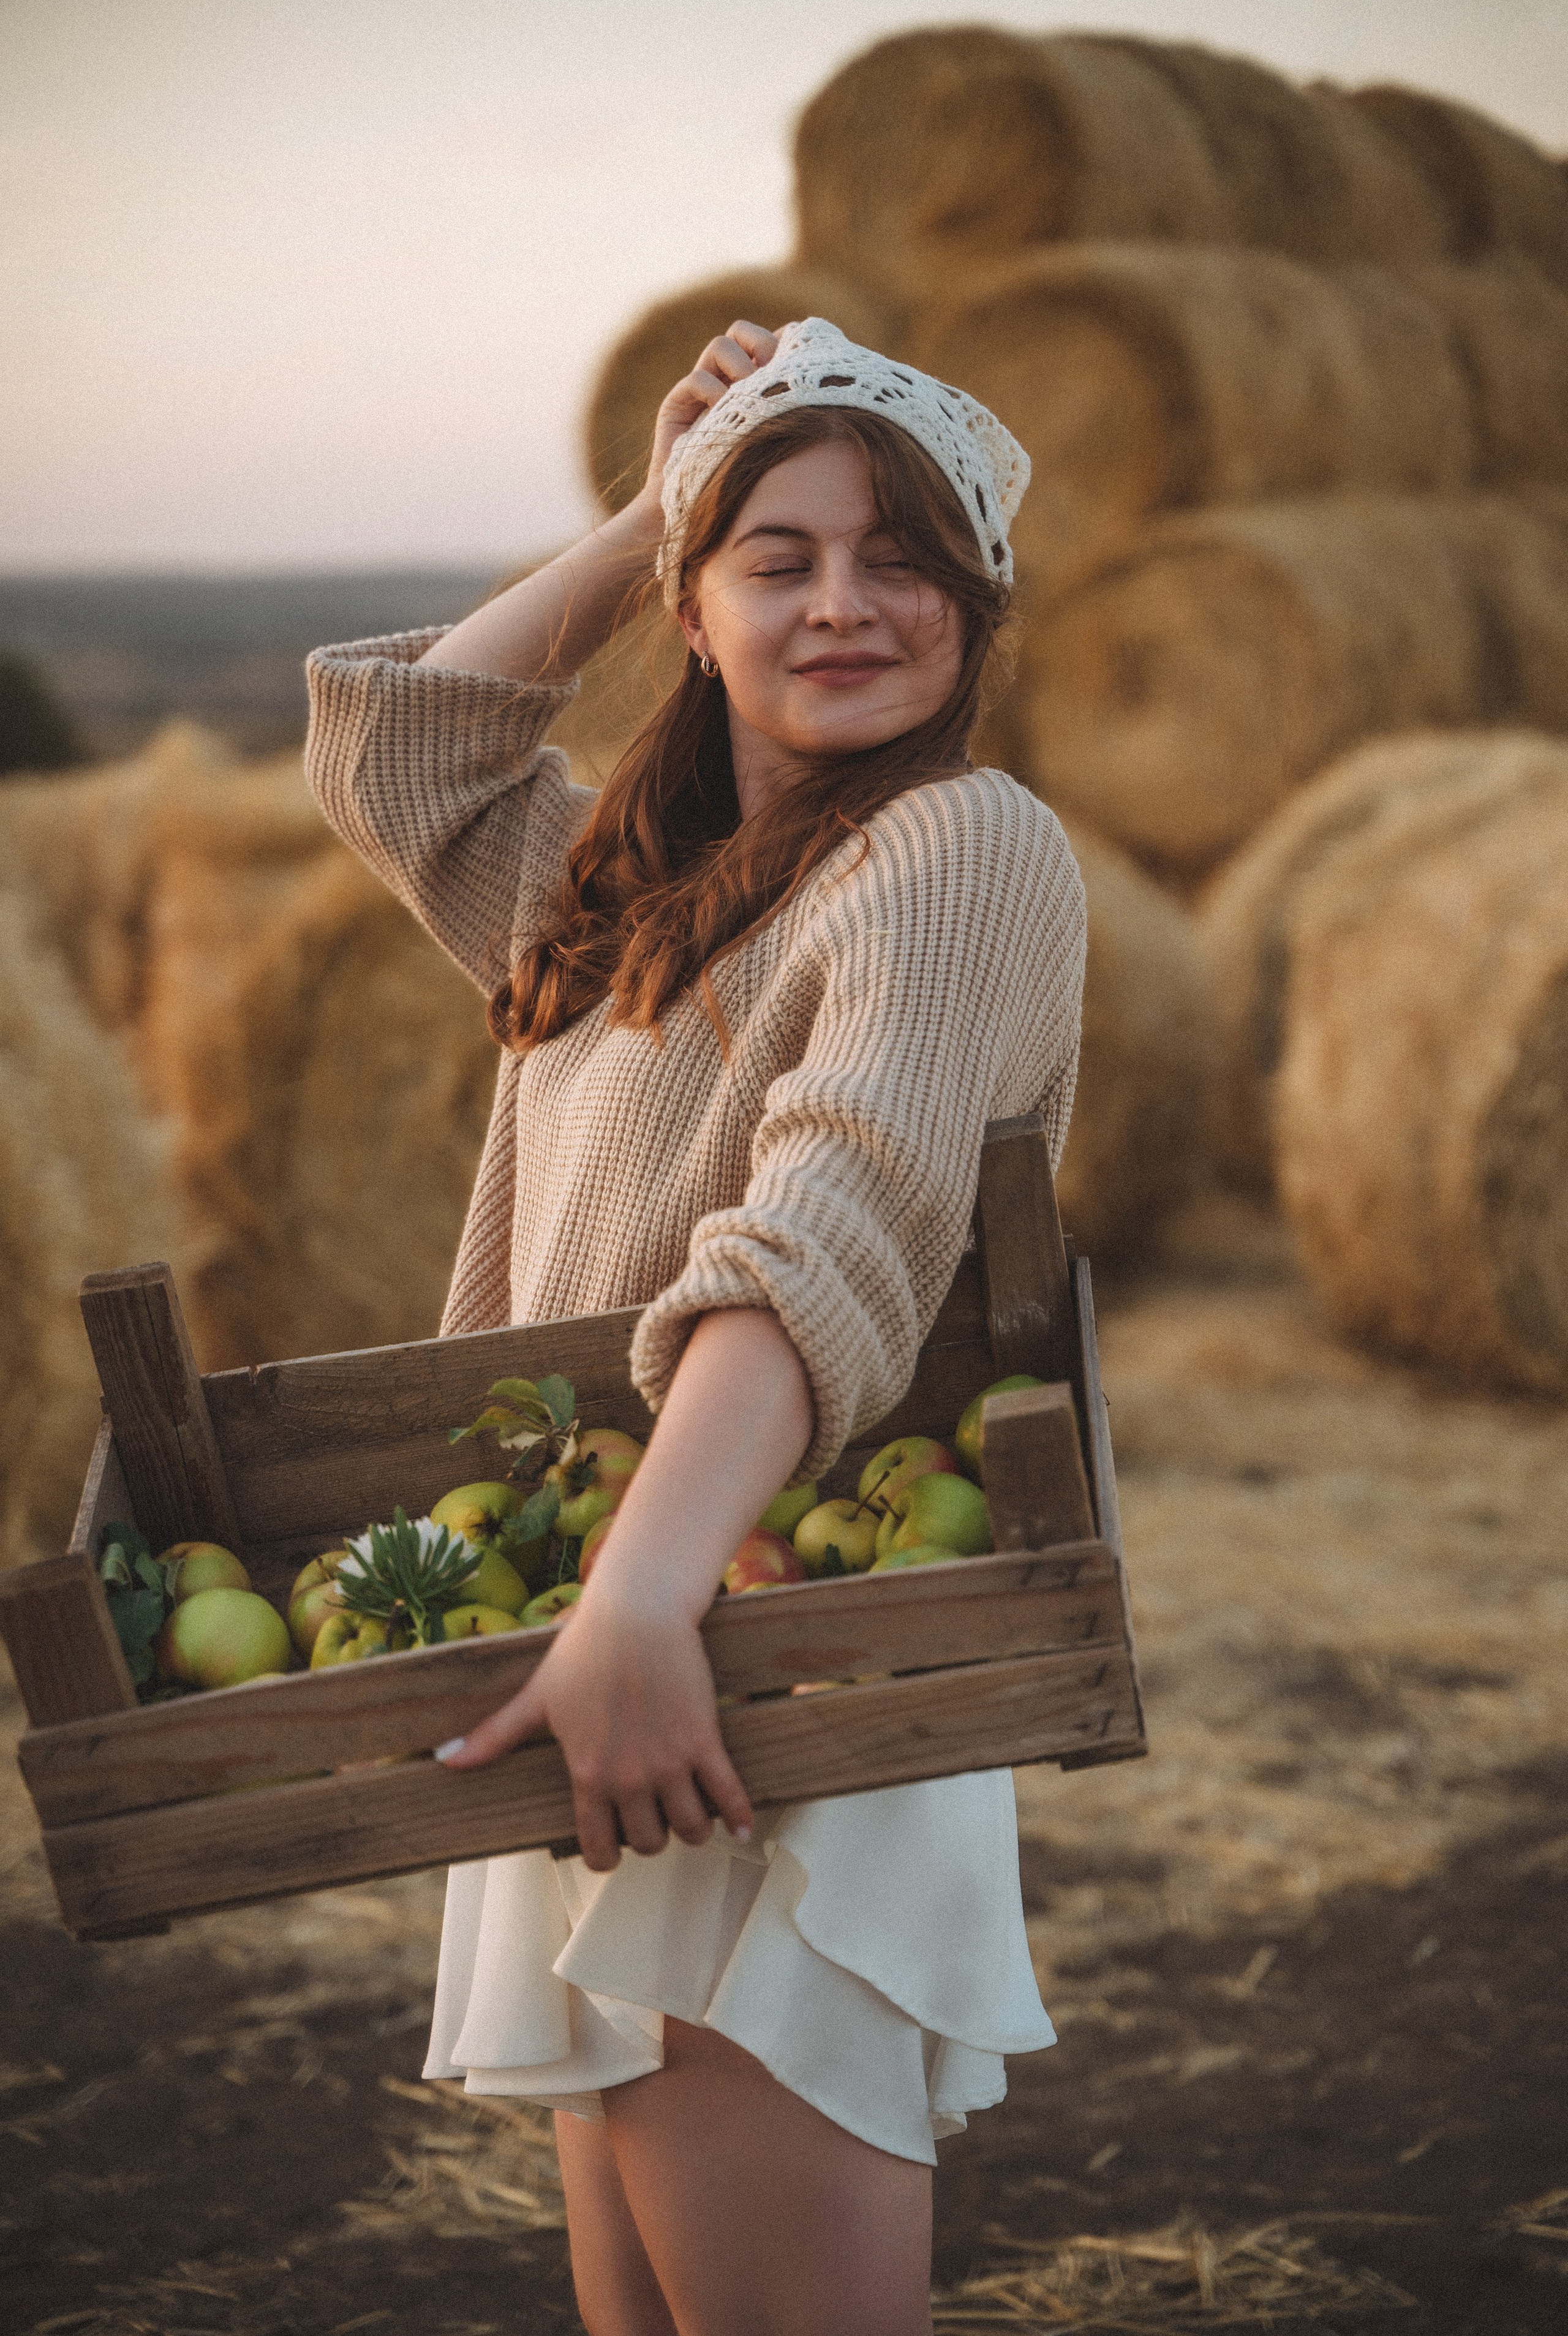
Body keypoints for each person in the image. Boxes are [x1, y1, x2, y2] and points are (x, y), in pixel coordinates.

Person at [304, 317, 1087, 2336]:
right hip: (618, 1643)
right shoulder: (636, 898)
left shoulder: (959, 845)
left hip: (761, 1671)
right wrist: (650, 506)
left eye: (902, 554)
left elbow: (826, 1224)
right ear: (694, 601)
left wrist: (643, 1597)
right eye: (778, 553)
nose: (845, 601)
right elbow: (391, 748)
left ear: (975, 603)